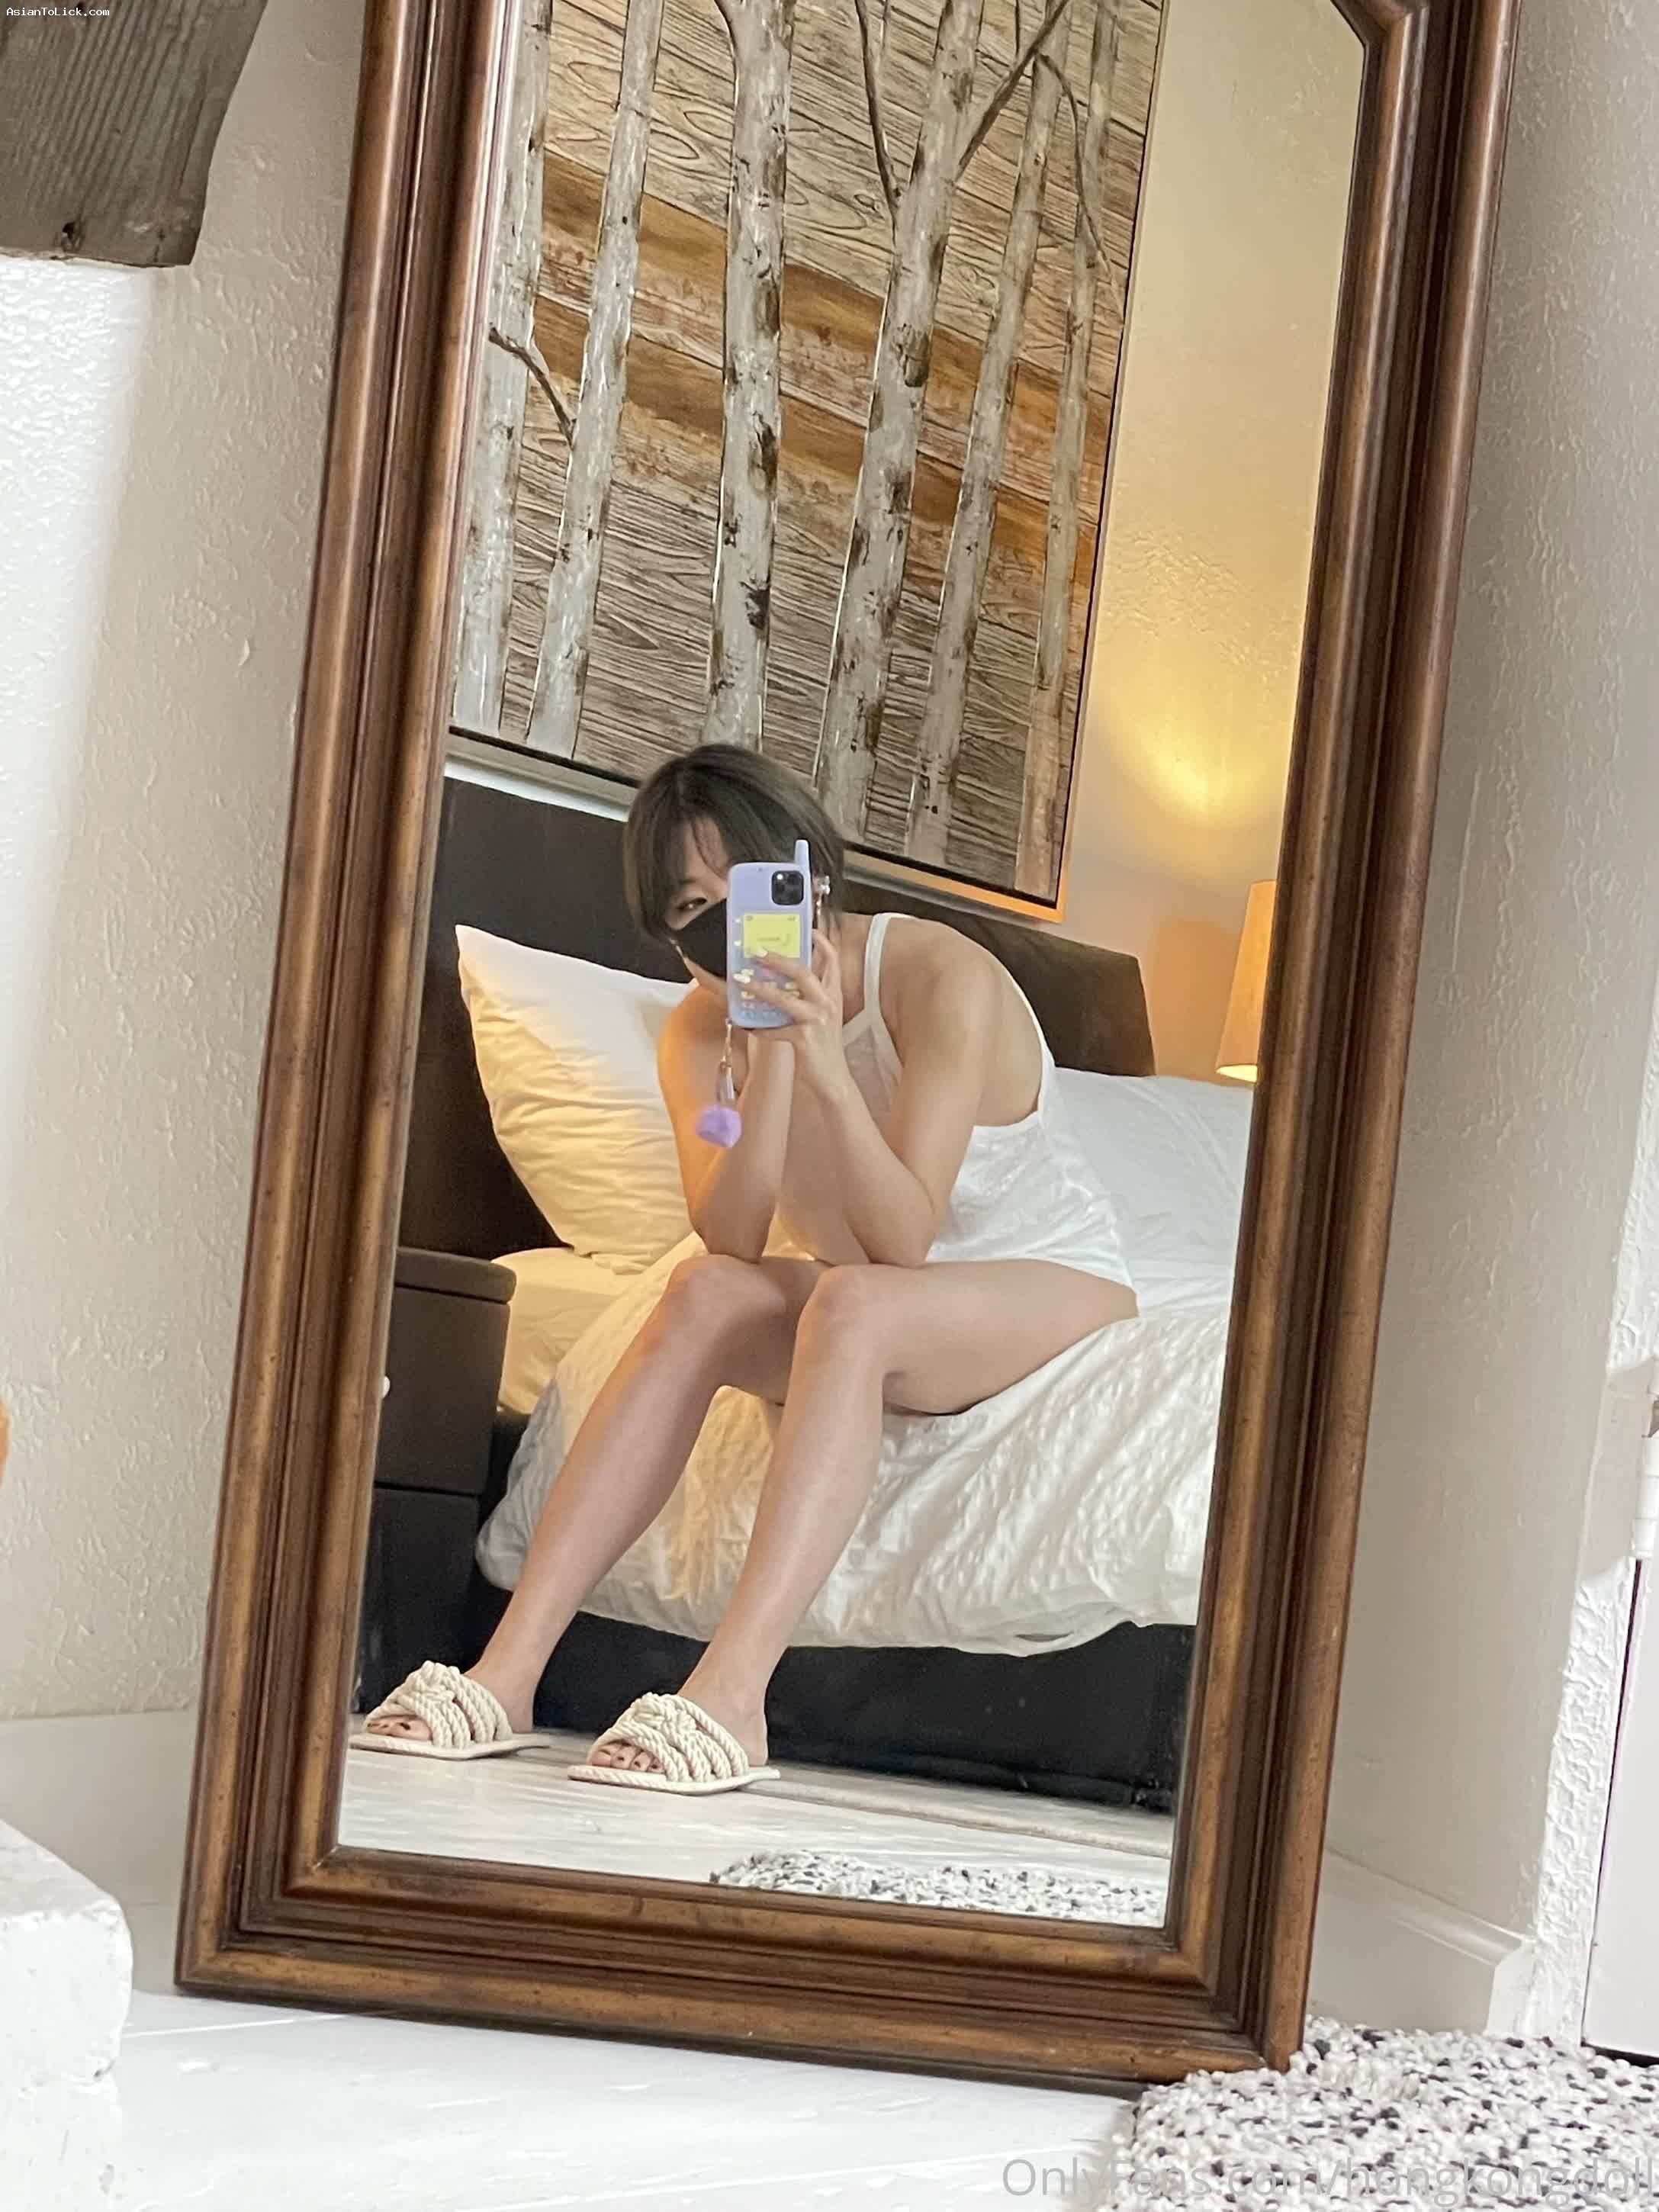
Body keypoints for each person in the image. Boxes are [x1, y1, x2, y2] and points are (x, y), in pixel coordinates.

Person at [359, 745, 1137, 1791]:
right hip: (878, 1294)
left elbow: (903, 1242)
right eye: (695, 908)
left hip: (1037, 1278)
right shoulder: (698, 1034)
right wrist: (769, 1061)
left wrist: (828, 1068)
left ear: (808, 872)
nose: (731, 927)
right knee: (701, 1288)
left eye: (751, 887)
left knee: (855, 1304)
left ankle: (733, 1693)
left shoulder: (935, 976)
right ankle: (508, 1674)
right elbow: (731, 1235)